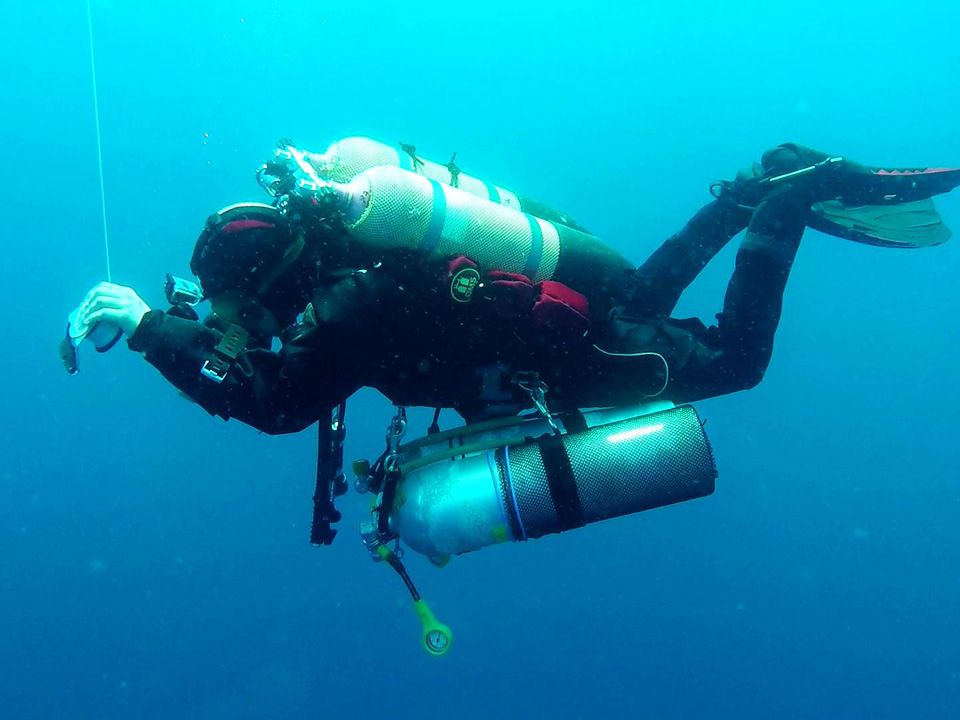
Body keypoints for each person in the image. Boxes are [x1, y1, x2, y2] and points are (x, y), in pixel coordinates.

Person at [69, 143, 960, 431]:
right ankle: (756, 188)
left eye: (244, 305)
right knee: (641, 297)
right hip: (578, 300)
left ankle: (789, 197)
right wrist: (184, 324)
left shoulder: (350, 304)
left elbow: (274, 403)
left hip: (567, 353)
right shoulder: (364, 273)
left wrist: (152, 330)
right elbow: (256, 359)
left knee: (735, 363)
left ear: (272, 275)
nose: (249, 325)